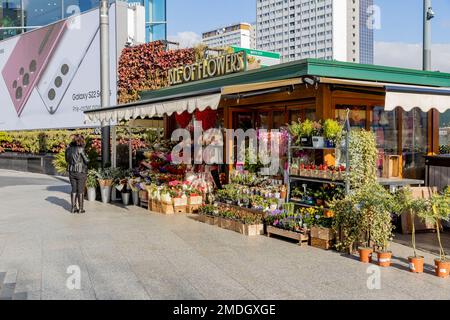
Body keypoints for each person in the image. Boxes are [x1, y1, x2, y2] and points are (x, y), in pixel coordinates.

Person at [65, 134, 89, 214]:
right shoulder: (81, 149)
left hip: (71, 171)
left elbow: (66, 160)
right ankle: (81, 209)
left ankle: (73, 208)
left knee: (74, 189)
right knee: (81, 190)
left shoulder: (68, 149)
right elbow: (87, 161)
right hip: (81, 171)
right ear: (81, 141)